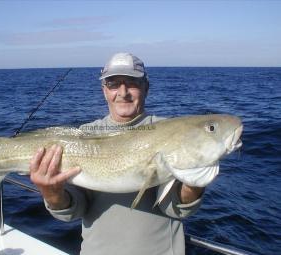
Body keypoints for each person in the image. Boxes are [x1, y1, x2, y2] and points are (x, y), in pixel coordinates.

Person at [29, 53, 204, 255]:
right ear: (104, 91)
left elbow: (174, 208)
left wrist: (195, 181)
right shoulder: (85, 135)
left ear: (146, 87)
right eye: (113, 84)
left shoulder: (171, 131)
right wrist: (52, 193)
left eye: (132, 83)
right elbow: (74, 211)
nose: (123, 92)